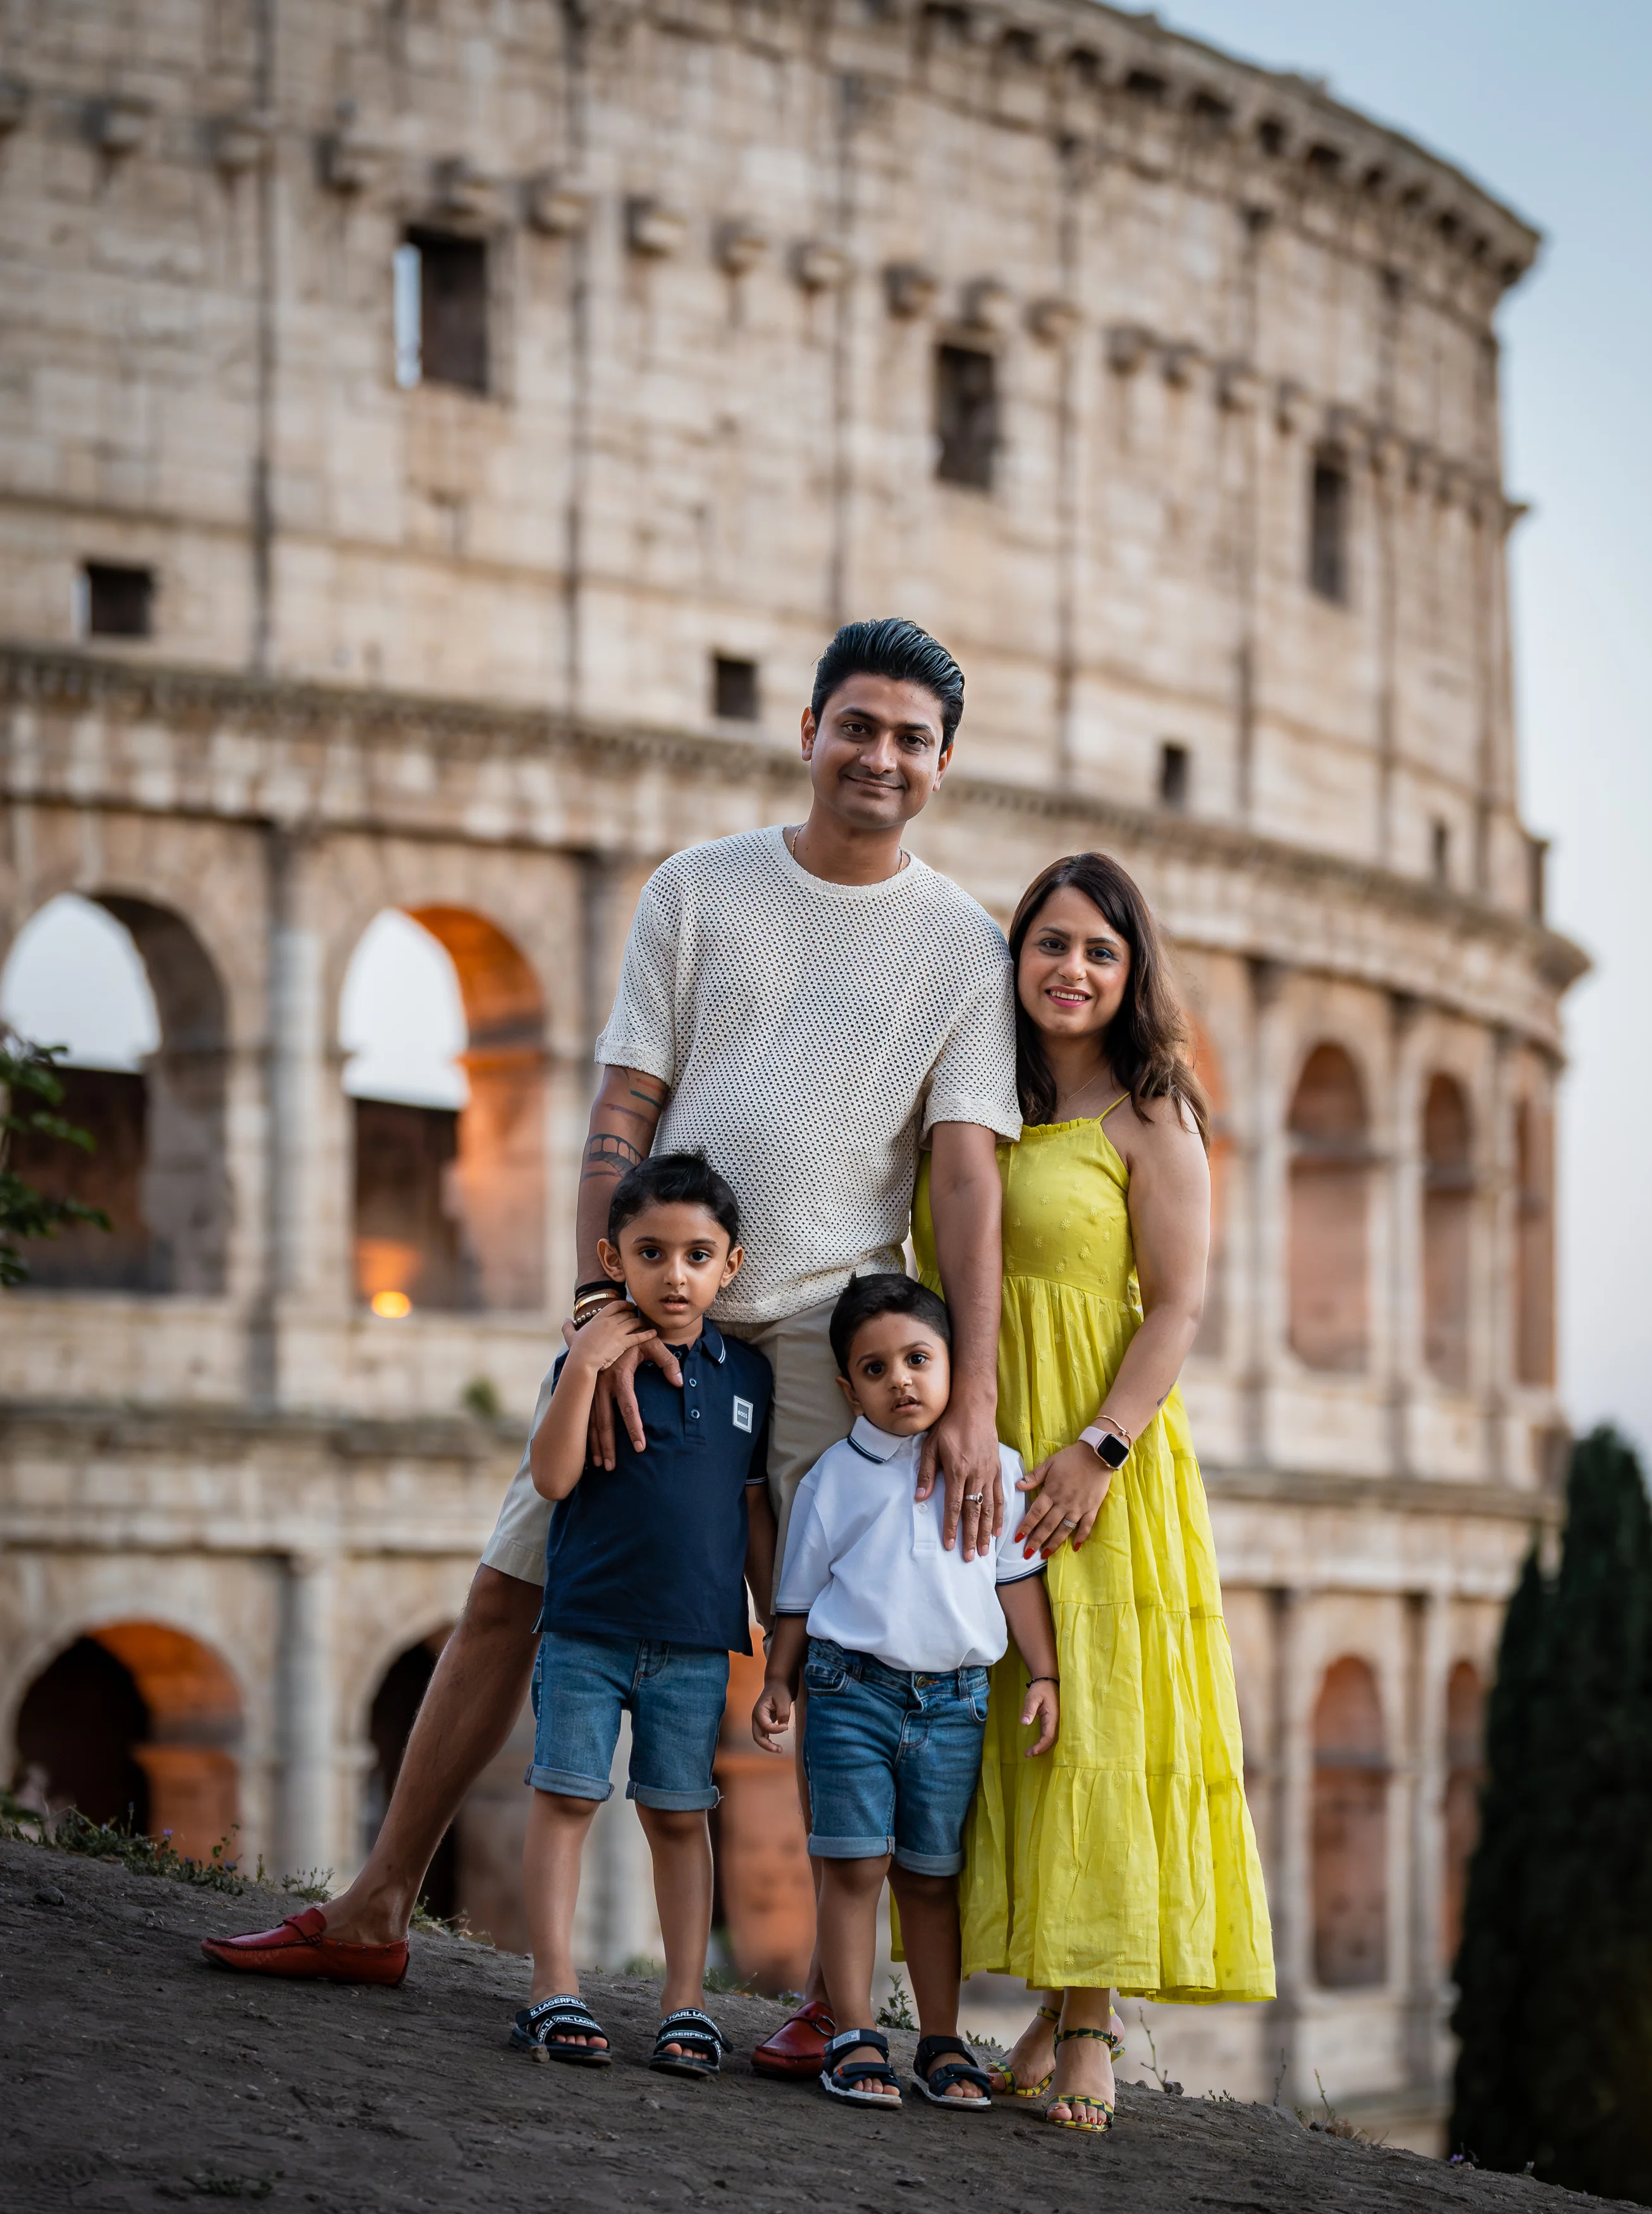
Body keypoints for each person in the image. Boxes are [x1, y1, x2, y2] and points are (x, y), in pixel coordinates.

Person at [202, 618, 1021, 2072]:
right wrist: (601, 1307)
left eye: (912, 738)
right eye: (857, 724)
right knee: (514, 1588)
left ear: (943, 762)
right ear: (809, 730)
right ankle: (377, 1905)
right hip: (660, 1306)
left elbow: (963, 1173)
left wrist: (975, 1394)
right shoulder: (697, 887)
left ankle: (837, 2001)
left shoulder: (964, 944)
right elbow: (621, 1111)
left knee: (843, 1647)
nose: (880, 756)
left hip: (828, 1325)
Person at [911, 851, 1275, 2135]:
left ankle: (1086, 2021)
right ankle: (1041, 2000)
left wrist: (1099, 1450)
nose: (1071, 969)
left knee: (1096, 1720)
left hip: (1093, 1452)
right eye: (1051, 943)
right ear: (1015, 956)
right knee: (1005, 1719)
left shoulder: (1152, 1112)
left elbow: (1176, 1305)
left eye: (1099, 952)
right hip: (974, 1438)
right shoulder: (975, 1091)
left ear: (1131, 974)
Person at [753, 1273, 1058, 2111]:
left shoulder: (996, 1468)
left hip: (956, 1704)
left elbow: (1017, 1579)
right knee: (854, 1865)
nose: (901, 1382)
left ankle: (940, 2039)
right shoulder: (833, 1478)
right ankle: (854, 2033)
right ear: (848, 1388)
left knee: (930, 1874)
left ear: (956, 1364)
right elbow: (796, 1597)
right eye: (876, 1369)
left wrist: (1044, 1673)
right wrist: (779, 1680)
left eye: (919, 1359)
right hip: (849, 1691)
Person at [508, 1151, 776, 2075]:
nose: (675, 1275)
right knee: (565, 1798)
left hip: (697, 1641)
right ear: (611, 1259)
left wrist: (778, 1634)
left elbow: (752, 1513)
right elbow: (552, 1478)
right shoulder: (589, 1359)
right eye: (651, 1253)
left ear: (731, 1266)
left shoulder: (749, 1376)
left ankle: (685, 2003)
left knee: (679, 1816)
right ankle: (552, 1985)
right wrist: (586, 1361)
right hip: (587, 1627)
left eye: (697, 1256)